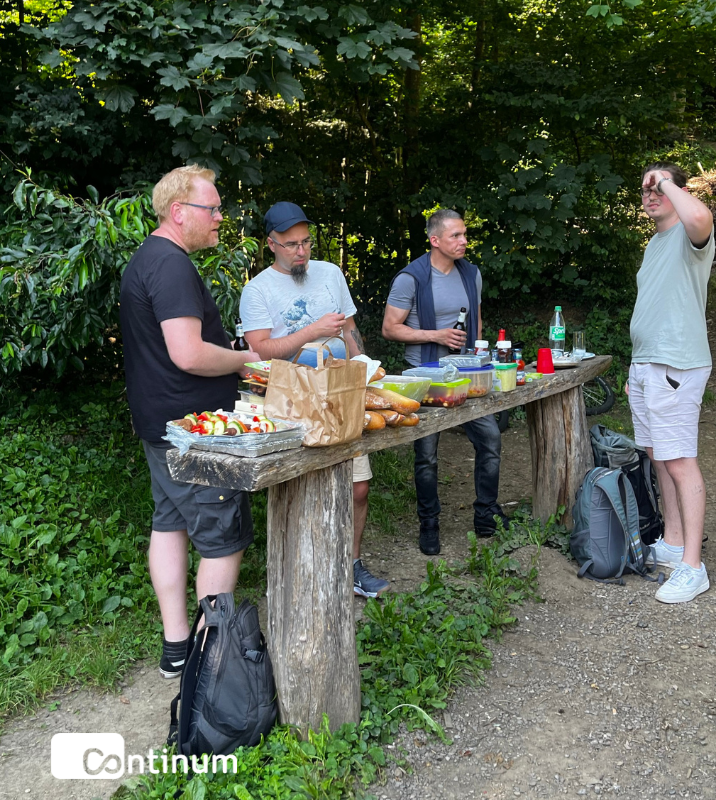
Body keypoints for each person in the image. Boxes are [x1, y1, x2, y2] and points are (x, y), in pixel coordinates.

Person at [120, 164, 258, 678]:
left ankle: (178, 646)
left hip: (161, 426)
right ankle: (209, 658)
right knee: (225, 538)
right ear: (180, 212)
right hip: (193, 432)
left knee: (170, 524)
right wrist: (246, 360)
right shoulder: (173, 265)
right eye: (213, 208)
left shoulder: (144, 259)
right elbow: (188, 354)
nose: (221, 217)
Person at [239, 201, 389, 599]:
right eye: (291, 245)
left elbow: (350, 329)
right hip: (290, 404)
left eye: (306, 242)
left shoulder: (331, 274)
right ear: (271, 244)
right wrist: (311, 331)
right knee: (298, 490)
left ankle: (352, 565)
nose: (302, 251)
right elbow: (260, 354)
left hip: (342, 394)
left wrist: (365, 368)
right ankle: (297, 578)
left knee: (358, 487)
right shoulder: (257, 290)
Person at [382, 209, 509, 555]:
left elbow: (477, 322)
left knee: (491, 440)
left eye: (465, 234)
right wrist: (435, 334)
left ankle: (485, 515)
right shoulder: (411, 278)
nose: (464, 241)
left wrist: (480, 361)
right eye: (456, 236)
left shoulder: (472, 274)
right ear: (434, 240)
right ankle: (429, 525)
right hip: (424, 378)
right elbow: (390, 328)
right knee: (426, 455)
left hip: (465, 374)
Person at [630, 161, 715, 603]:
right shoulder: (655, 244)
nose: (649, 193)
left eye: (658, 186)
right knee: (658, 457)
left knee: (679, 460)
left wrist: (665, 180)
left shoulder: (689, 233)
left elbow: (702, 217)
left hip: (677, 364)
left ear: (679, 190)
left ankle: (693, 567)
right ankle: (673, 541)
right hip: (648, 365)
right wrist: (636, 368)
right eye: (644, 188)